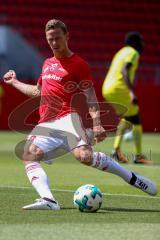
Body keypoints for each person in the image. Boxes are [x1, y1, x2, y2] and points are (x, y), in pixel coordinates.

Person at [3, 20, 157, 210]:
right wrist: (15, 82)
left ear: (67, 37)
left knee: (84, 156)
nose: (54, 42)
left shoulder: (78, 64)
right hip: (46, 123)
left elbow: (90, 95)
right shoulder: (47, 63)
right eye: (50, 39)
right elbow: (38, 92)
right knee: (28, 154)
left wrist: (97, 122)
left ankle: (131, 177)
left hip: (68, 119)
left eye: (57, 38)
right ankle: (49, 200)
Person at [102, 32, 151, 164]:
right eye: (140, 41)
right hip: (119, 88)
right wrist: (131, 92)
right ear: (135, 43)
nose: (142, 44)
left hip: (107, 88)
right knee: (136, 119)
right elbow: (124, 71)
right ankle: (139, 156)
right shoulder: (133, 53)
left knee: (126, 118)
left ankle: (116, 150)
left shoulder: (120, 52)